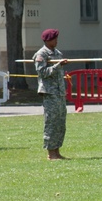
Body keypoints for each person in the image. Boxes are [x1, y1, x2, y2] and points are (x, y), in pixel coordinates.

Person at [35, 28, 69, 160]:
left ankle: (57, 150)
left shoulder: (57, 53)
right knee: (51, 122)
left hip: (59, 92)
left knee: (60, 122)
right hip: (49, 92)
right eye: (54, 39)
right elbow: (42, 72)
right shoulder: (42, 54)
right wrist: (57, 66)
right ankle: (51, 152)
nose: (56, 41)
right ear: (48, 40)